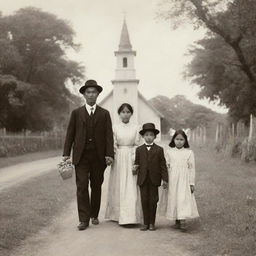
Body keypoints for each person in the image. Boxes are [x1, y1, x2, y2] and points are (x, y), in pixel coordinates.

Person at [62, 79, 114, 231]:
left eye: (94, 92)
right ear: (84, 95)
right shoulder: (76, 113)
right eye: (88, 92)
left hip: (99, 157)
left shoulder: (104, 114)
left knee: (96, 186)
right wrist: (66, 153)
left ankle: (94, 214)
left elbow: (108, 136)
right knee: (82, 186)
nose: (91, 95)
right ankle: (83, 219)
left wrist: (109, 154)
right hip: (81, 156)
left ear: (98, 94)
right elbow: (70, 134)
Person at [105, 103, 141, 225]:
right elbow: (113, 144)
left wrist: (135, 159)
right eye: (123, 112)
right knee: (119, 184)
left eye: (128, 112)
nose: (125, 114)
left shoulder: (136, 127)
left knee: (131, 185)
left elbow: (137, 144)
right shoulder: (115, 127)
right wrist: (113, 156)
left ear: (131, 113)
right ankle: (117, 215)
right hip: (119, 157)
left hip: (131, 156)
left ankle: (130, 216)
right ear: (119, 114)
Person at [133, 123, 168, 231]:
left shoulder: (159, 149)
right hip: (143, 179)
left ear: (155, 137)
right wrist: (135, 168)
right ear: (143, 136)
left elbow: (163, 166)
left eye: (151, 135)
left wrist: (165, 179)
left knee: (153, 201)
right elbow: (136, 163)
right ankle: (145, 223)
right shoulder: (139, 149)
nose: (149, 137)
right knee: (144, 200)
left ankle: (152, 223)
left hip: (154, 179)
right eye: (147, 135)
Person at [164, 129, 199, 231]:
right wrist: (165, 180)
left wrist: (191, 183)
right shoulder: (169, 152)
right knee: (174, 198)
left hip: (184, 179)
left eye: (182, 139)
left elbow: (192, 169)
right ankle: (177, 220)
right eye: (177, 139)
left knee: (182, 198)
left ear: (185, 141)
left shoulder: (189, 153)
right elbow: (166, 167)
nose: (179, 141)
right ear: (173, 140)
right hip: (173, 179)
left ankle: (183, 221)